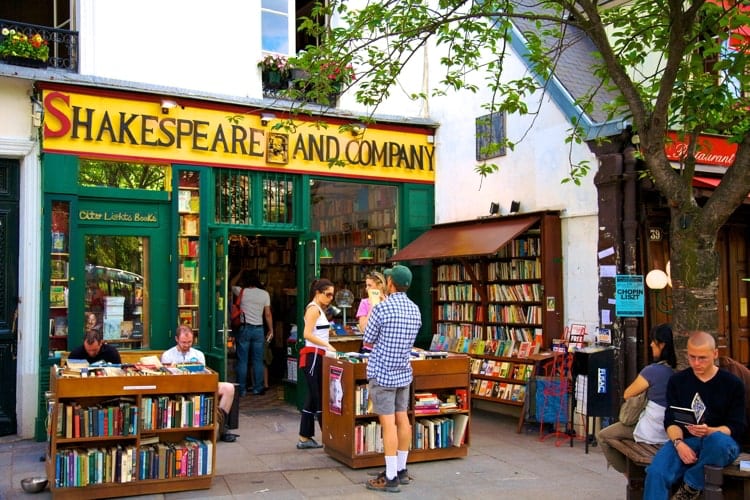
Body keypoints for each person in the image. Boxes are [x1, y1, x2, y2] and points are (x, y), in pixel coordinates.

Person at [644, 331, 746, 500]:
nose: (696, 363)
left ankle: (690, 486)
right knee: (656, 473)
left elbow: (737, 426)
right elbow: (670, 420)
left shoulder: (732, 384)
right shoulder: (678, 381)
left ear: (715, 354)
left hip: (721, 442)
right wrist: (678, 443)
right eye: (692, 357)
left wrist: (709, 431)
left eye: (702, 358)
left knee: (718, 442)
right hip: (685, 440)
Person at [363, 265, 422, 493]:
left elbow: (368, 340)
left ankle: (390, 477)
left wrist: (373, 307)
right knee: (403, 420)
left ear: (390, 283)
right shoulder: (415, 309)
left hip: (382, 371)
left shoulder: (382, 308)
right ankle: (401, 469)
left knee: (387, 424)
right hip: (403, 371)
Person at [597, 323, 677, 473]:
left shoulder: (652, 371)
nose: (651, 344)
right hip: (669, 430)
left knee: (604, 436)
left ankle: (630, 475)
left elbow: (628, 393)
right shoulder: (674, 371)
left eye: (654, 341)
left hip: (651, 428)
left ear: (662, 345)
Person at [161, 325, 238, 443]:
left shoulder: (198, 354)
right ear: (177, 339)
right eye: (183, 342)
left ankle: (221, 428)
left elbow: (204, 375)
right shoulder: (167, 355)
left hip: (199, 386)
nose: (186, 345)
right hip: (177, 389)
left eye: (189, 342)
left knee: (229, 388)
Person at [297, 278, 337, 449]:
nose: (330, 298)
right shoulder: (313, 309)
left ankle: (304, 437)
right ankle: (329, 437)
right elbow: (307, 334)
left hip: (317, 355)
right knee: (318, 396)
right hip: (313, 356)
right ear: (318, 293)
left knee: (314, 397)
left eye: (332, 295)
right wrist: (327, 344)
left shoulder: (318, 309)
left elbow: (315, 332)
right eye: (328, 294)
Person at [230, 269, 273, 397]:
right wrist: (271, 329)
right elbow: (267, 314)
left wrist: (239, 273)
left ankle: (242, 390)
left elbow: (230, 284)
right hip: (259, 329)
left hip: (244, 328)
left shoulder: (241, 291)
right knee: (258, 361)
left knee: (242, 360)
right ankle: (258, 388)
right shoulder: (264, 294)